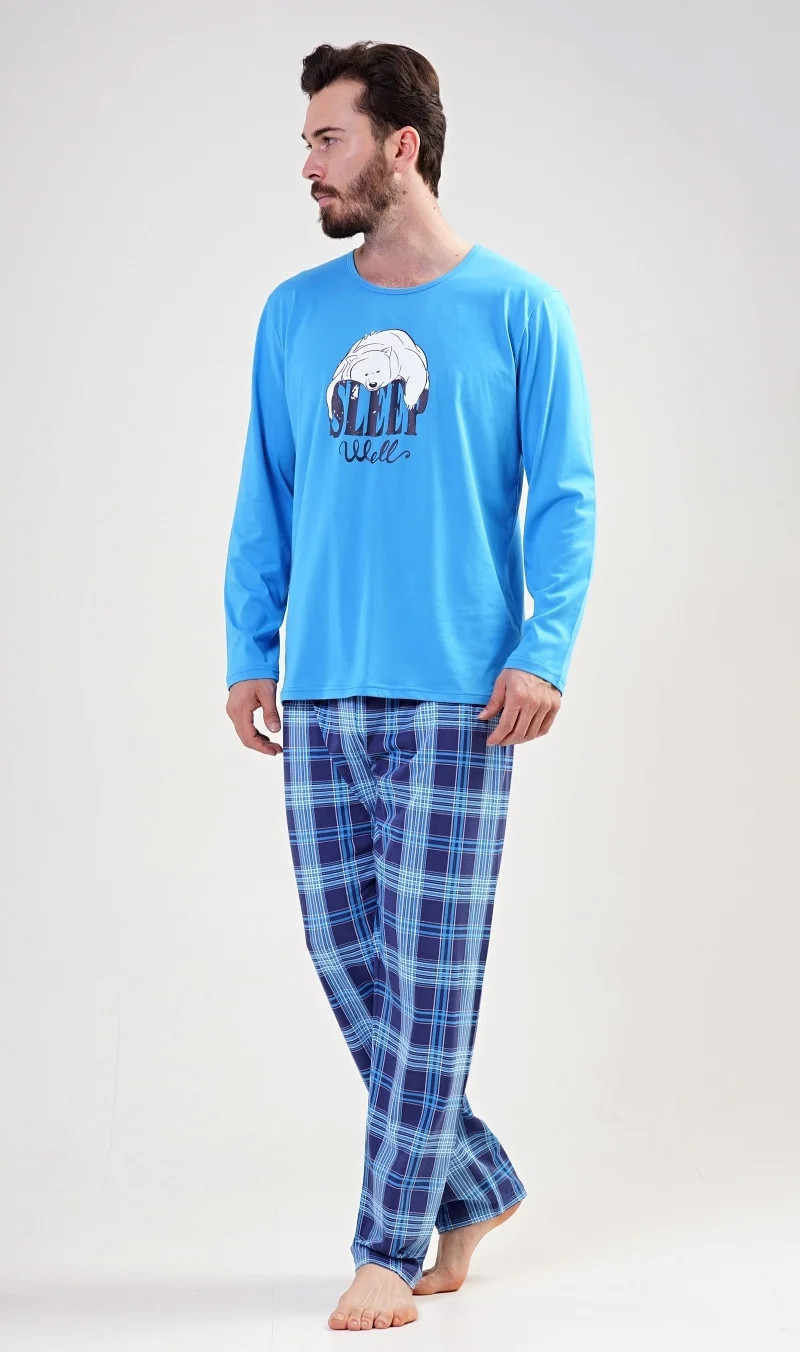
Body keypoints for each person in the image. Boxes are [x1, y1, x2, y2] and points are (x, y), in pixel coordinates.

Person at [223, 40, 596, 1333]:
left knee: (429, 978)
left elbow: (566, 495)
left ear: (401, 146)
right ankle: (478, 1182)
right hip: (322, 684)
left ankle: (389, 1246)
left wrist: (545, 649)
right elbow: (266, 488)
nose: (309, 166)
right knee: (351, 960)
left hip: (461, 694)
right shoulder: (293, 314)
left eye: (327, 139)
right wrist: (250, 645)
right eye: (306, 143)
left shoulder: (519, 310)